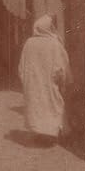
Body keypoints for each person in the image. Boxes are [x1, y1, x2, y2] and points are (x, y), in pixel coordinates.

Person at [18, 14, 72, 145]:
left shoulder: (29, 43)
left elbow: (21, 66)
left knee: (37, 108)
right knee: (53, 106)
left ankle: (40, 134)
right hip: (49, 84)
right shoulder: (54, 44)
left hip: (33, 84)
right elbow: (62, 67)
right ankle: (51, 134)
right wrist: (64, 81)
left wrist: (26, 81)